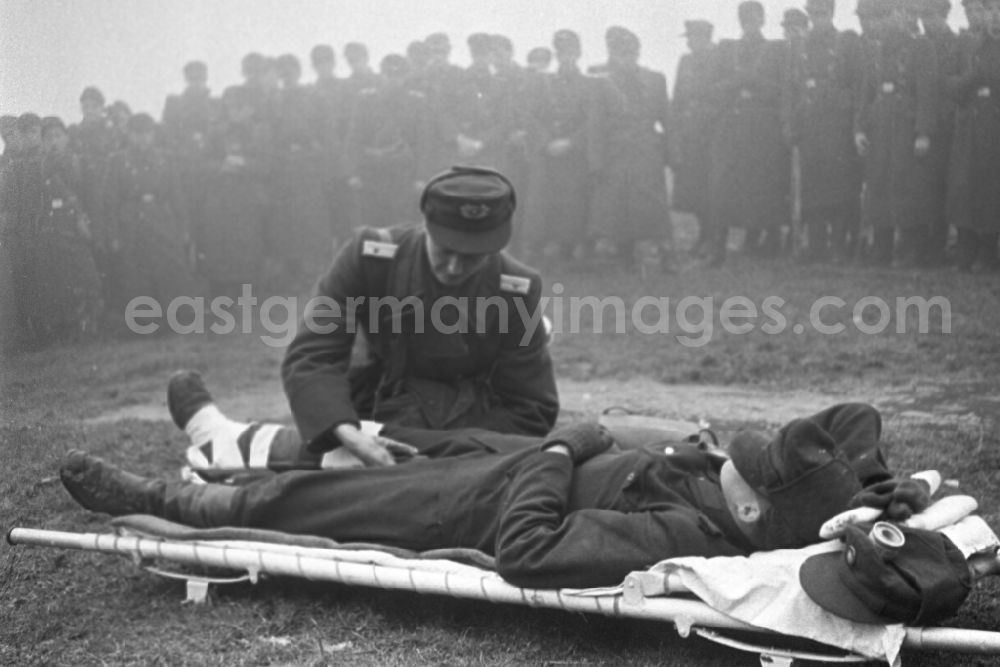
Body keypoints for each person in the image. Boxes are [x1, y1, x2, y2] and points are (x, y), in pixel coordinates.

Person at [60, 395, 932, 590]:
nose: (725, 467)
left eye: (737, 472)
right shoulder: (725, 495)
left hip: (480, 506)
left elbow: (529, 552)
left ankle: (171, 500)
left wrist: (559, 448)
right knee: (406, 437)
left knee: (304, 507)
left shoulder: (683, 534)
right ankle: (223, 453)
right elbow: (852, 436)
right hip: (517, 462)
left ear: (747, 513)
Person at [281, 167, 559, 468]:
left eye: (473, 256)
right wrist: (346, 432)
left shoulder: (515, 289)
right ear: (426, 224)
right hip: (366, 419)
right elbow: (313, 355)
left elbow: (531, 405)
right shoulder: (370, 260)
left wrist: (451, 454)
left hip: (468, 429)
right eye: (446, 249)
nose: (454, 267)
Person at [706, 1, 792, 265]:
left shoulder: (777, 50)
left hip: (764, 128)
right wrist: (737, 81)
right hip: (733, 126)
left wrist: (753, 82)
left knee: (765, 185)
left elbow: (783, 88)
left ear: (762, 20)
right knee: (724, 186)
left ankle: (770, 240)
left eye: (754, 18)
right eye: (744, 19)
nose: (749, 23)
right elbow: (714, 87)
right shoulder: (727, 49)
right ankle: (718, 246)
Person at [856, 0, 939, 267]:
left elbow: (927, 93)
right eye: (878, 16)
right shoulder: (873, 49)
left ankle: (911, 250)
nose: (882, 21)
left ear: (900, 14)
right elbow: (865, 94)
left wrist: (923, 132)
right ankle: (882, 248)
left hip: (906, 126)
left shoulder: (921, 46)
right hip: (879, 127)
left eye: (887, 14)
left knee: (909, 188)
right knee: (878, 185)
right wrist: (859, 128)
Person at [783, 0, 865, 263]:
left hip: (837, 124)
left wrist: (856, 124)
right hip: (809, 123)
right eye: (813, 13)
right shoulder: (799, 45)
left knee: (839, 185)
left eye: (821, 13)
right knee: (812, 185)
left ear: (831, 13)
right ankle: (816, 243)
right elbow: (788, 88)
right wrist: (789, 123)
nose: (817, 18)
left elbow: (859, 85)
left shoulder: (847, 41)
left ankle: (839, 245)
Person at [587, 26, 674, 273]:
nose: (626, 58)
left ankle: (667, 254)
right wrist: (596, 162)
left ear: (638, 52)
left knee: (653, 205)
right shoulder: (601, 82)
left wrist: (671, 154)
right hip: (616, 152)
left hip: (647, 151)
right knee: (619, 206)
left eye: (631, 52)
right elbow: (595, 124)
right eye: (620, 53)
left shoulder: (655, 79)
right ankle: (626, 255)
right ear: (611, 54)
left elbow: (667, 119)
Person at [523, 30, 601, 262]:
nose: (566, 57)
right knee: (545, 200)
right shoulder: (543, 82)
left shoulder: (589, 84)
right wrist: (546, 141)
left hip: (573, 153)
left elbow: (593, 120)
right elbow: (531, 115)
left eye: (570, 52)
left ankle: (569, 246)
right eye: (562, 52)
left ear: (578, 54)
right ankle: (542, 245)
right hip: (548, 152)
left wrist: (571, 142)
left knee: (573, 201)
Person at [345, 54, 431, 229]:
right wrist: (352, 172)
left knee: (403, 225)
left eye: (398, 76)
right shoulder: (366, 100)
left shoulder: (416, 102)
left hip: (402, 174)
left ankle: (402, 257)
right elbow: (354, 137)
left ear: (406, 76)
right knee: (373, 227)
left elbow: (423, 142)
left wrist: (421, 177)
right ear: (381, 74)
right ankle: (375, 257)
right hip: (371, 173)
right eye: (388, 74)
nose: (393, 80)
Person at [947, 0, 1000, 271]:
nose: (980, 14)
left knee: (990, 189)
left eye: (987, 8)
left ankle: (988, 252)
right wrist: (972, 77)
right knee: (964, 188)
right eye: (972, 10)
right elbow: (950, 83)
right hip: (968, 125)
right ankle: (966, 250)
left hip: (994, 126)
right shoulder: (963, 44)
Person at [671, 20, 718, 256]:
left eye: (693, 37)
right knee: (693, 187)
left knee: (710, 186)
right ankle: (703, 233)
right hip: (689, 130)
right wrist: (675, 126)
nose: (690, 42)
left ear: (705, 37)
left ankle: (712, 237)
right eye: (689, 37)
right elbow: (678, 95)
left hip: (712, 131)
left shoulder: (718, 58)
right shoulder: (685, 61)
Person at [919, 0, 960, 267]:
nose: (926, 21)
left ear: (944, 15)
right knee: (925, 187)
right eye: (923, 16)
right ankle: (928, 245)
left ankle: (941, 244)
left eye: (931, 16)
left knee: (946, 186)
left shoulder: (956, 43)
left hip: (949, 125)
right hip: (922, 124)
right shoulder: (919, 45)